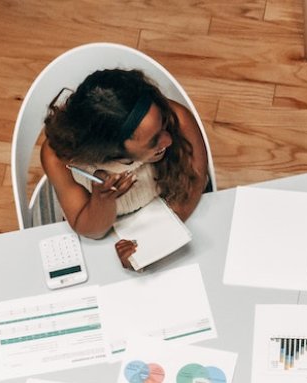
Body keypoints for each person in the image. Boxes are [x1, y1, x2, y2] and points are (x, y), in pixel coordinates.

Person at [41, 68, 210, 268]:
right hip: (106, 230)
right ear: (111, 151)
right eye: (153, 141)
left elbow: (193, 184)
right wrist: (103, 200)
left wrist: (152, 244)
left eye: (163, 125)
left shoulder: (178, 118)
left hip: (172, 211)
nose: (169, 139)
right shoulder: (57, 158)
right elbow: (92, 231)